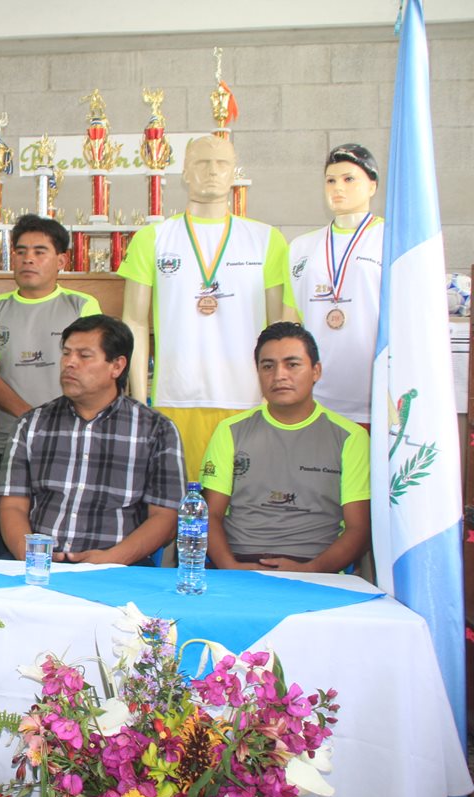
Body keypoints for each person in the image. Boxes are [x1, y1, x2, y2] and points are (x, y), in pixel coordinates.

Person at [119, 135, 296, 481]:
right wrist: (139, 401)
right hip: (174, 400)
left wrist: (274, 395)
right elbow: (134, 323)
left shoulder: (266, 239)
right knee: (177, 510)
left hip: (247, 400)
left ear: (235, 173)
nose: (212, 171)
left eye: (222, 164)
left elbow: (283, 327)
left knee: (243, 508)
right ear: (184, 172)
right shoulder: (153, 239)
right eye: (201, 163)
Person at [0, 315, 185, 564]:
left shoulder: (156, 430)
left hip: (120, 566)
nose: (69, 364)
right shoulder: (32, 424)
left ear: (116, 366)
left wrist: (110, 560)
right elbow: (12, 506)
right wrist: (32, 557)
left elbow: (165, 518)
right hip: (41, 565)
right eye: (66, 353)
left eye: (84, 356)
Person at [0, 214, 101, 559]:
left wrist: (48, 424)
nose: (28, 258)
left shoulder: (82, 306)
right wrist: (33, 419)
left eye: (40, 251)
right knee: (8, 551)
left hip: (70, 445)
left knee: (64, 548)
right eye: (21, 251)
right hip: (9, 445)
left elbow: (92, 372)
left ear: (61, 260)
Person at [201, 322, 370, 572]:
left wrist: (312, 570)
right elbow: (209, 515)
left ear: (316, 371)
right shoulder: (230, 431)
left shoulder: (350, 437)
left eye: (292, 365)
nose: (279, 375)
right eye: (267, 366)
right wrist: (229, 567)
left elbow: (359, 529)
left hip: (316, 570)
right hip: (239, 566)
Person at [288, 144, 382, 425]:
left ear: (372, 186)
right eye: (330, 180)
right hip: (316, 398)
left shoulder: (390, 240)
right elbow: (290, 322)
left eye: (349, 179)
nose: (337, 187)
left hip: (373, 396)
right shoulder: (301, 247)